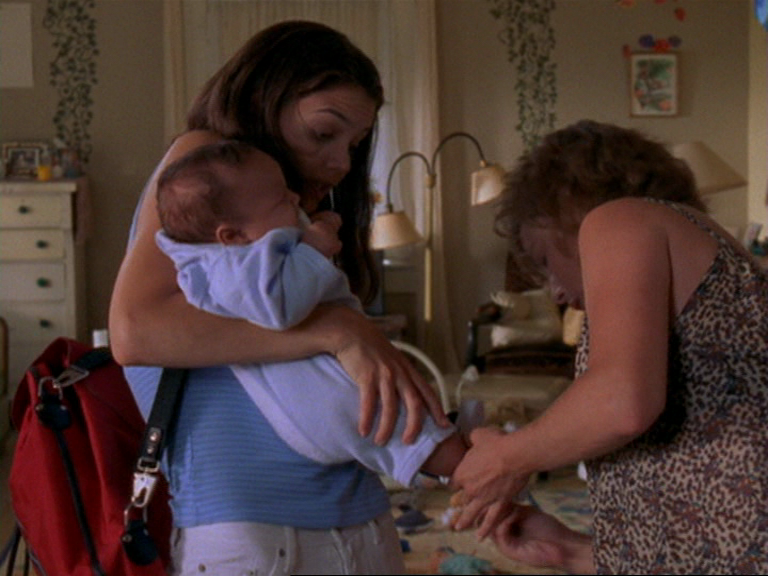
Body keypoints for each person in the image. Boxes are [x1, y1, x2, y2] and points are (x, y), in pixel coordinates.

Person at [109, 20, 450, 575]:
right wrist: (339, 331)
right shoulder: (205, 168)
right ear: (265, 99)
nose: (342, 162)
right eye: (323, 133)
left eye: (354, 144)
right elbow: (135, 332)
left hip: (362, 523)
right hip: (257, 534)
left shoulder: (287, 220)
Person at [451, 120, 768, 574]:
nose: (557, 292)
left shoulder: (620, 218)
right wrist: (572, 551)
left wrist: (508, 457)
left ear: (565, 206)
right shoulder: (717, 254)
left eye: (545, 261)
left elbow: (621, 402)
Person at [154, 139, 466, 487]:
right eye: (281, 199)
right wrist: (314, 248)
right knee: (394, 418)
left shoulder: (245, 246)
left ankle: (456, 451)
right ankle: (463, 465)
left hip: (319, 383)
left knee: (400, 408)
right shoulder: (227, 268)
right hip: (321, 396)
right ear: (232, 235)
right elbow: (278, 305)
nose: (294, 198)